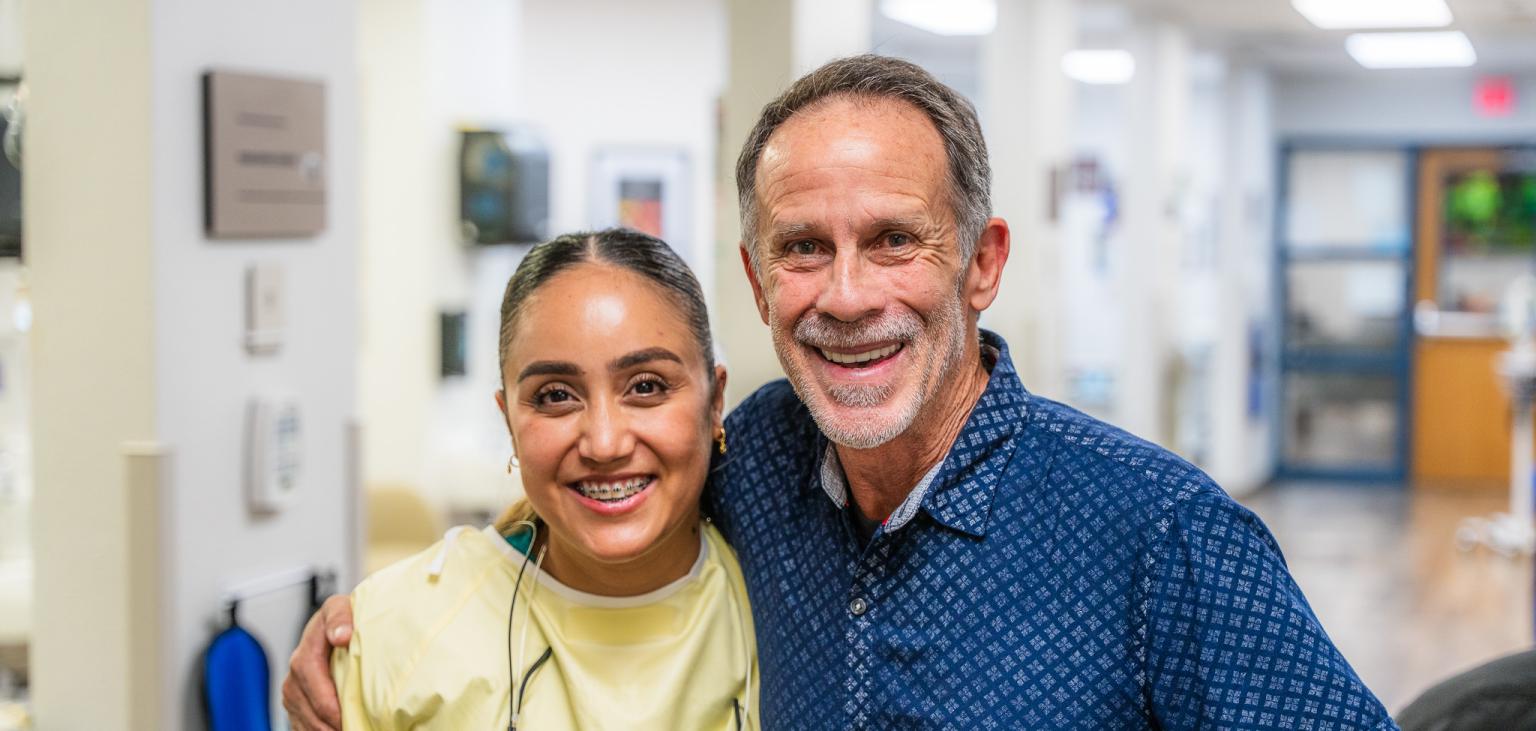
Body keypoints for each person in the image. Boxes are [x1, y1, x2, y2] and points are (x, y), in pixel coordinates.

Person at [289, 55, 1396, 729]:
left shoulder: (1160, 534)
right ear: (757, 278)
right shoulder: (758, 455)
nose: (849, 294)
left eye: (895, 241)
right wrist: (380, 626)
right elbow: (609, 475)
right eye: (805, 246)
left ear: (983, 261)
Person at [320, 229, 757, 730]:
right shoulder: (392, 631)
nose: (604, 443)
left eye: (645, 387)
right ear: (508, 420)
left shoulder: (793, 616)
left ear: (714, 401)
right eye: (555, 396)